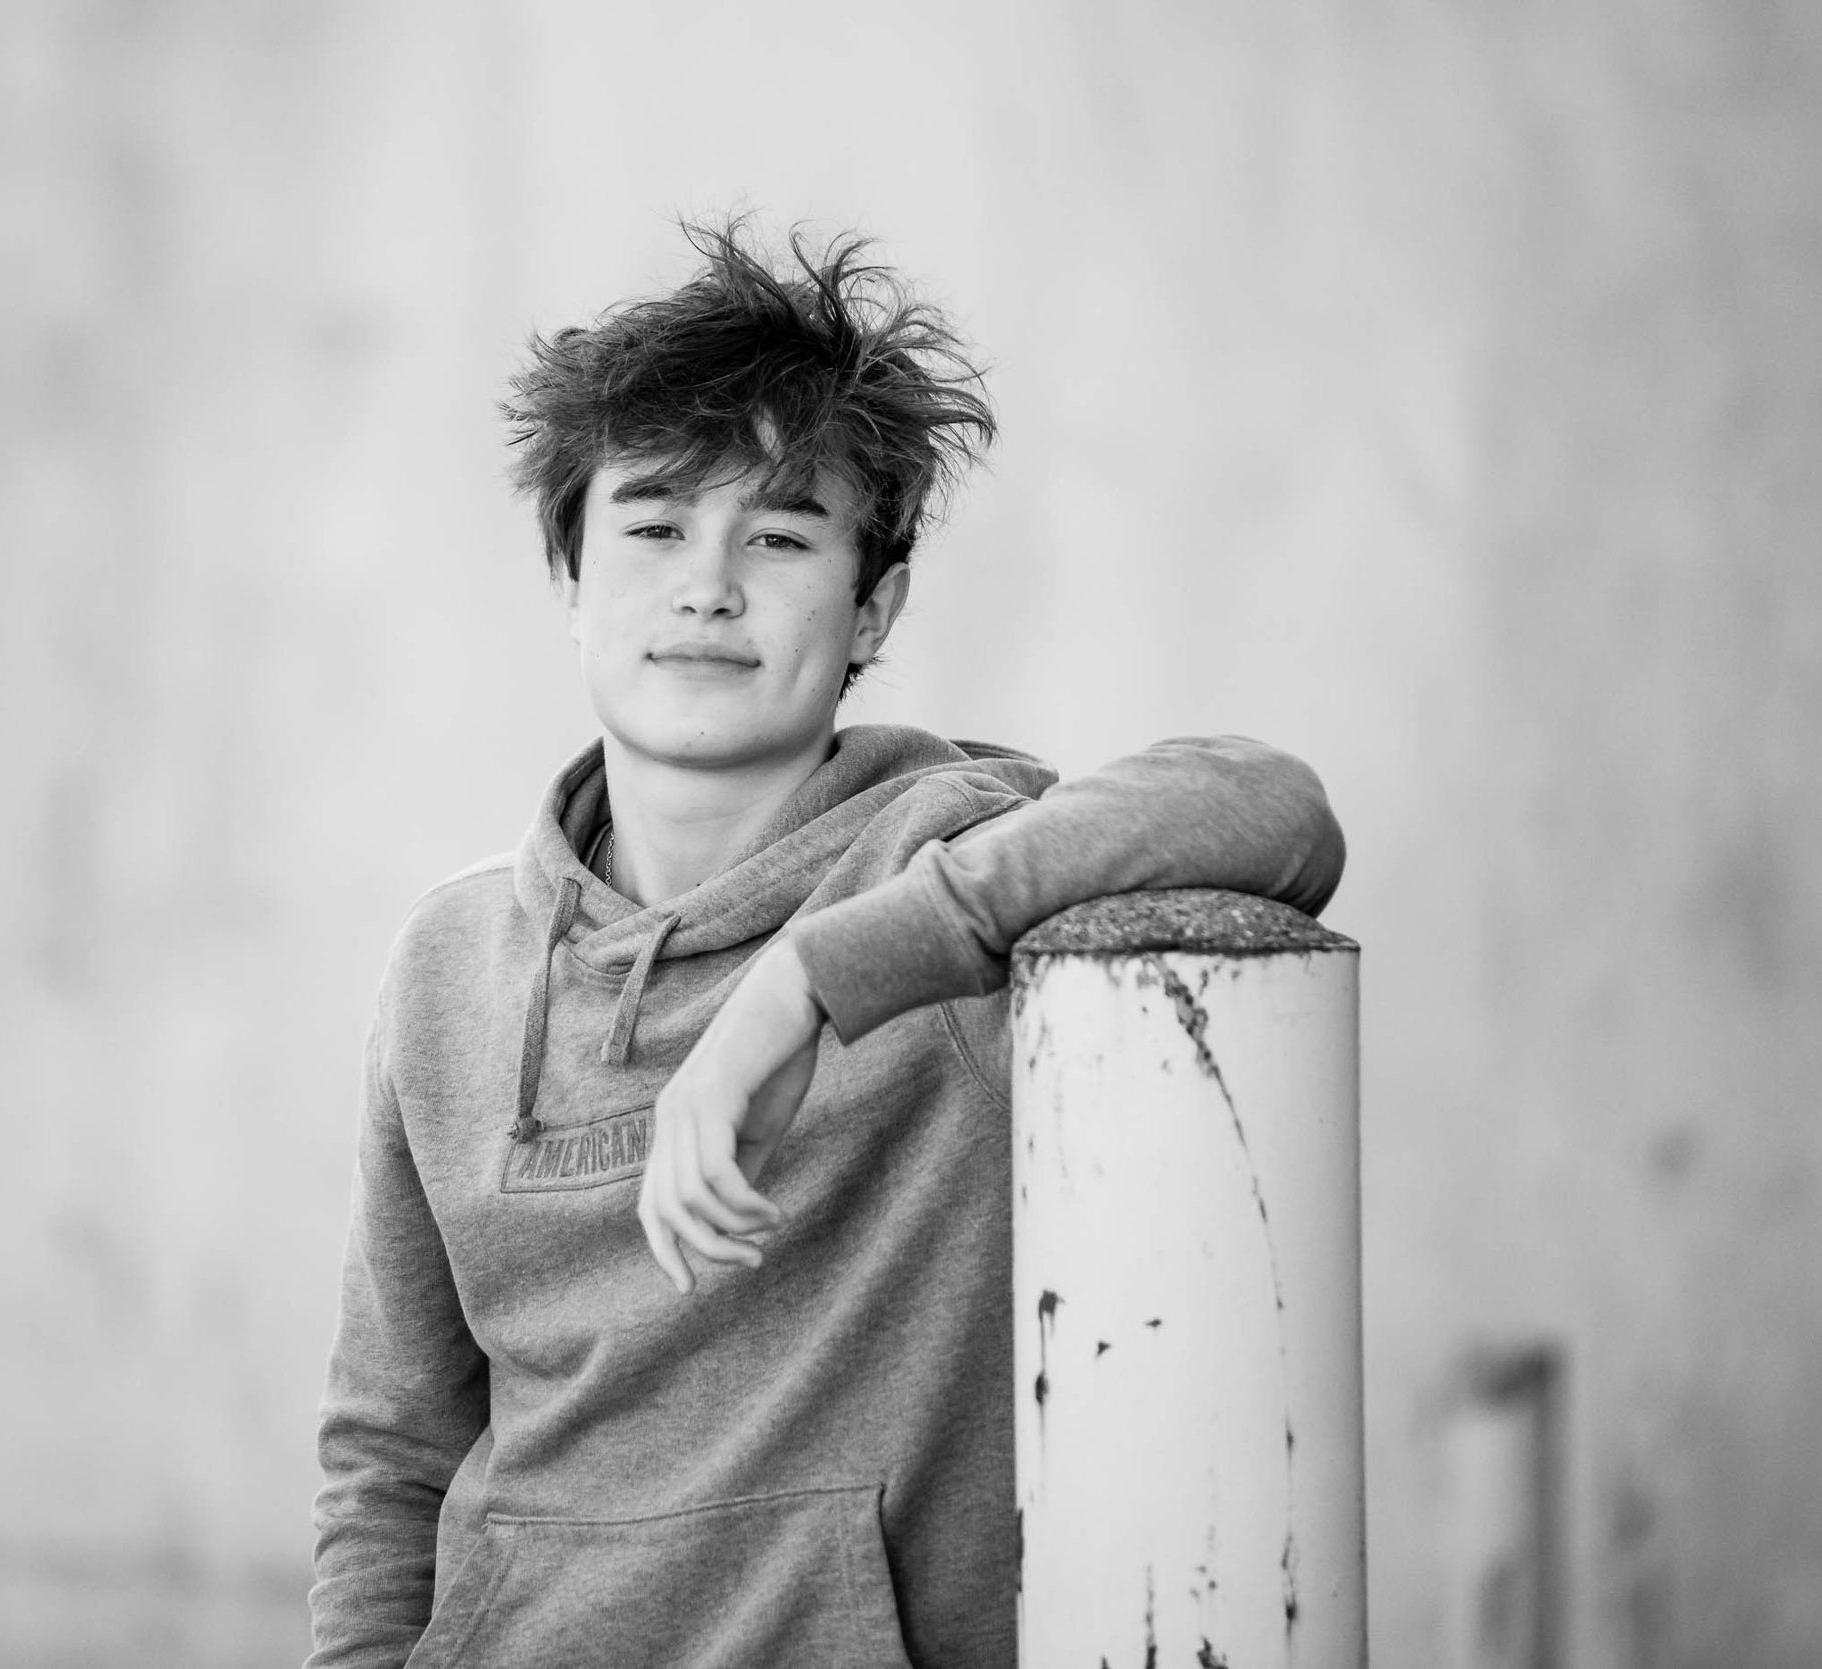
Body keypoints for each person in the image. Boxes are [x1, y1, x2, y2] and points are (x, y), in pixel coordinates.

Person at [307, 222, 1345, 1668]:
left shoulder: (945, 868)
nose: (708, 586)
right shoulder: (450, 964)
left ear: (873, 609)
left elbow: (1268, 808)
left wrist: (807, 979)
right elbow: (392, 1452)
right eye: (654, 527)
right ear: (571, 582)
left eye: (781, 537)